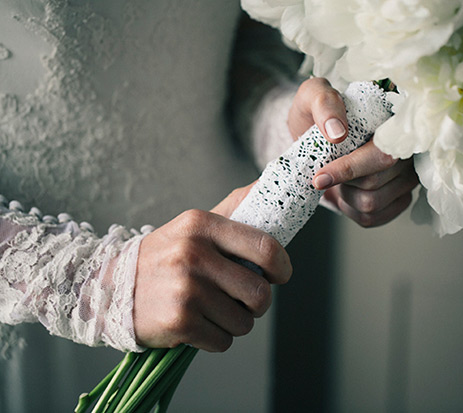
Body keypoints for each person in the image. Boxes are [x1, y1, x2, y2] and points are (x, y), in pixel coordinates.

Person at [0, 1, 418, 410]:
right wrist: (100, 283)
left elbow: (241, 51)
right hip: (40, 307)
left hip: (222, 265)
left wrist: (297, 146)